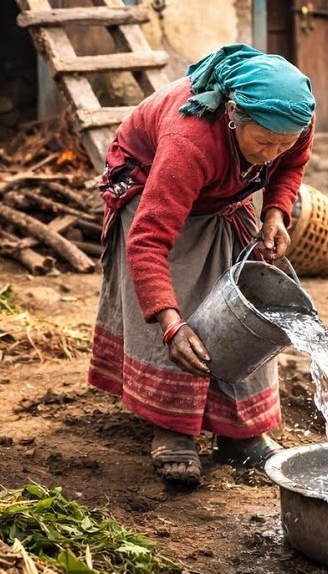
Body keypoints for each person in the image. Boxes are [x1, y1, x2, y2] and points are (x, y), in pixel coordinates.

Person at [89, 43, 315, 486]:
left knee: (246, 302)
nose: (271, 153)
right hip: (151, 187)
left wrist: (275, 213)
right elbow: (148, 240)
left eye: (283, 143)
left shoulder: (292, 117)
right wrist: (170, 325)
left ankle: (240, 434)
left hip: (222, 196)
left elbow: (293, 164)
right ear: (232, 114)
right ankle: (172, 430)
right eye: (263, 142)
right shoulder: (189, 140)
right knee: (183, 301)